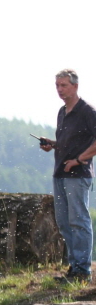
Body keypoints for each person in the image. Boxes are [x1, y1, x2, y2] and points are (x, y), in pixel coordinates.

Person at [38, 69, 96, 283]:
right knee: (64, 222)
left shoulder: (88, 111)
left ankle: (82, 270)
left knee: (79, 221)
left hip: (78, 174)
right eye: (57, 86)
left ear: (75, 86)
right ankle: (74, 267)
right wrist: (51, 145)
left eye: (64, 85)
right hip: (59, 173)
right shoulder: (62, 112)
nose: (60, 90)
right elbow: (67, 143)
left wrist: (80, 159)